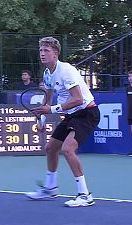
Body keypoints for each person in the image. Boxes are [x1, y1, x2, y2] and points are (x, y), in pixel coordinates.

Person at [25, 37, 100, 207]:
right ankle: (51, 188)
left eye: (46, 51)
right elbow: (48, 100)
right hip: (72, 115)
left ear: (55, 54)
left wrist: (51, 110)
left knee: (67, 149)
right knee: (51, 148)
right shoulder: (47, 73)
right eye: (41, 50)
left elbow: (78, 99)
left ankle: (85, 194)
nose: (42, 54)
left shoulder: (66, 70)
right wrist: (42, 120)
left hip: (87, 112)